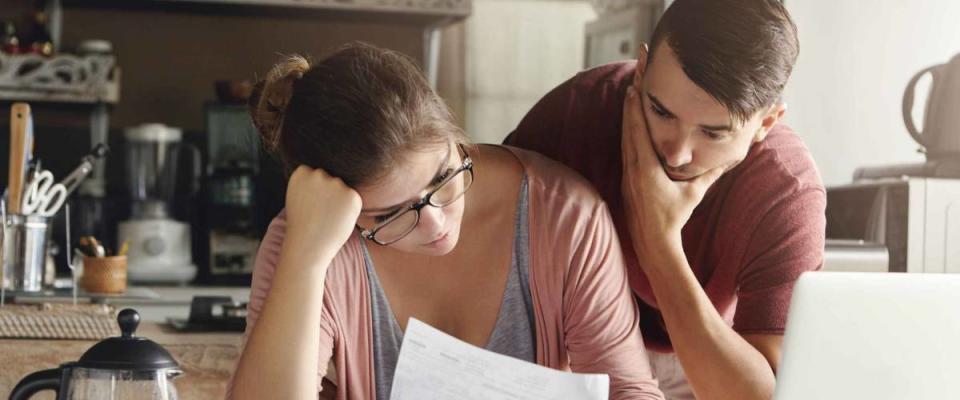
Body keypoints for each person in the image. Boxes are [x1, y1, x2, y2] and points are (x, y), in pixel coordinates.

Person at [227, 42, 665, 400]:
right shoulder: (307, 241)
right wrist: (306, 259)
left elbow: (629, 391)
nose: (436, 225)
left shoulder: (563, 213)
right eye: (390, 214)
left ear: (456, 137)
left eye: (443, 177)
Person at [504, 1, 826, 399]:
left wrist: (659, 244)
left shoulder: (785, 191)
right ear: (640, 70)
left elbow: (761, 395)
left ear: (765, 123)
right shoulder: (576, 113)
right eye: (660, 110)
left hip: (705, 353)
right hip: (572, 340)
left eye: (712, 134)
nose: (677, 154)